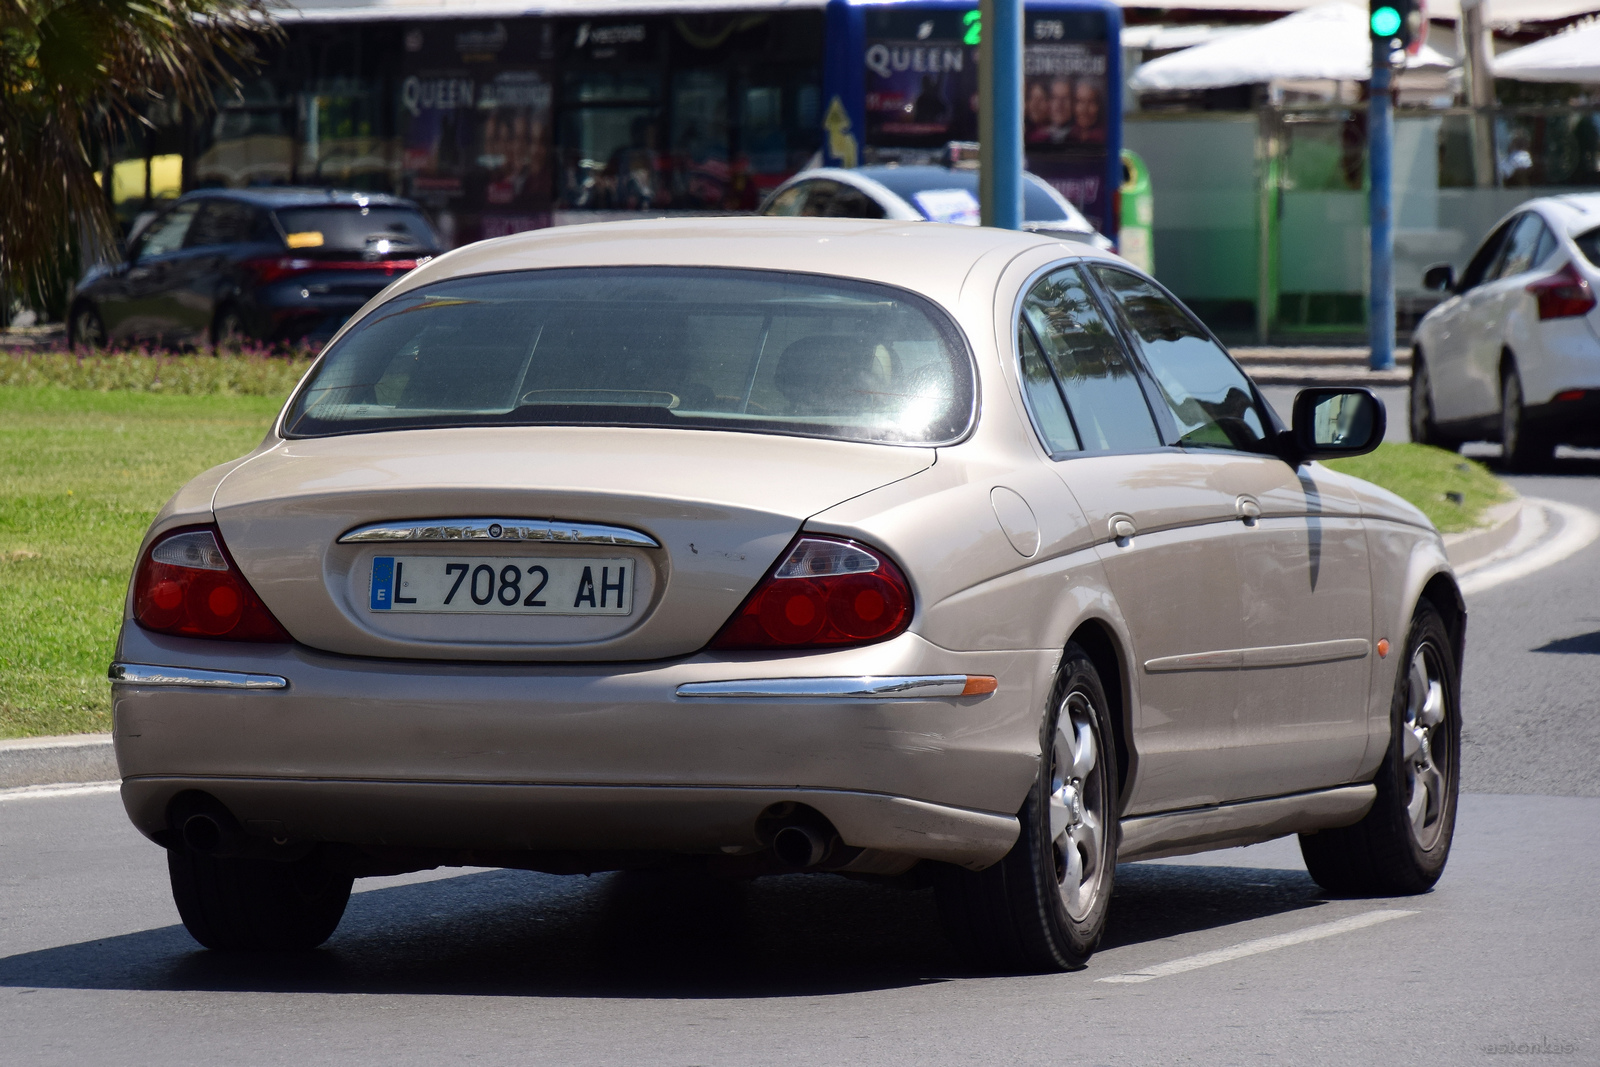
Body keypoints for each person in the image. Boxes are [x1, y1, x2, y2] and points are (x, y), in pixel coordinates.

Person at [1070, 80, 1105, 145]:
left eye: (1091, 101)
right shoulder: (1068, 136)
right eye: (1080, 101)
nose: (1085, 109)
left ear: (1099, 105)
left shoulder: (1106, 138)